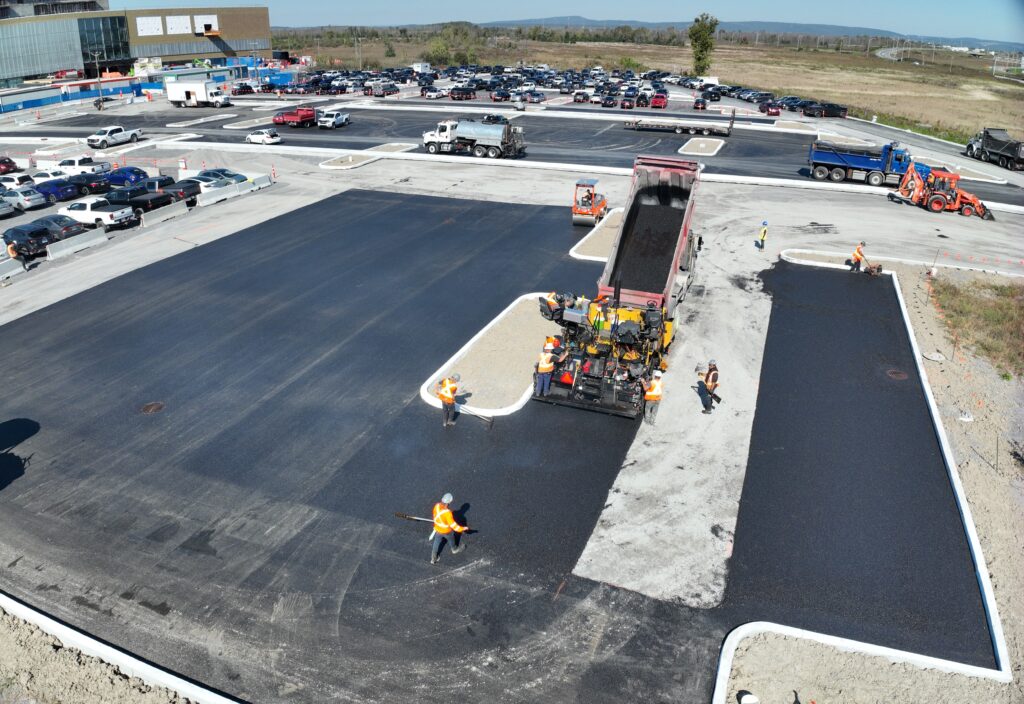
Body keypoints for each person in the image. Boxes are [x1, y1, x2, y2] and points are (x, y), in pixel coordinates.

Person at [431, 493, 468, 564]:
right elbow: (454, 526)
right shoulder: (448, 513)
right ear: (449, 502)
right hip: (446, 531)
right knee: (451, 538)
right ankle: (454, 549)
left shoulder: (436, 506)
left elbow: (434, 515)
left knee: (436, 543)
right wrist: (463, 528)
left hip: (437, 529)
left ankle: (433, 558)